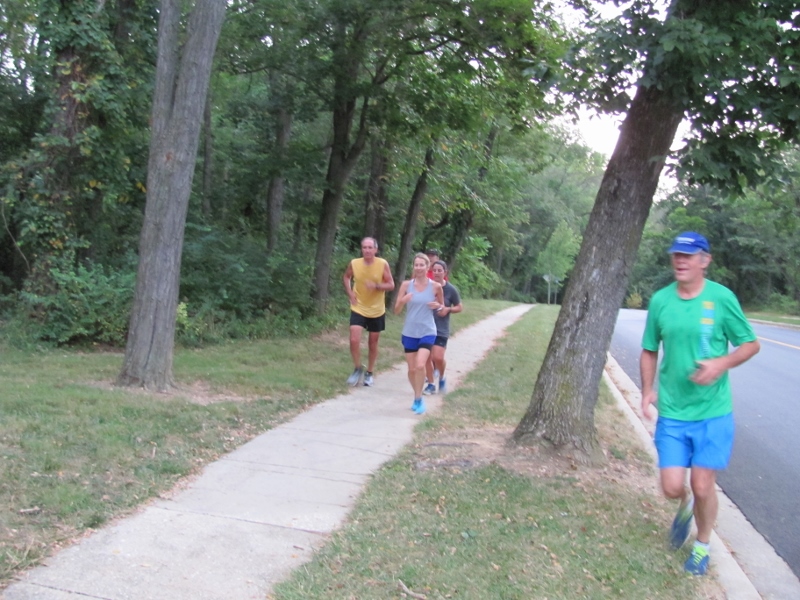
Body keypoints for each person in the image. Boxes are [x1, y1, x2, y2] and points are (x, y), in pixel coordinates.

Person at [640, 231, 760, 576]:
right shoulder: (661, 301)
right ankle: (684, 502)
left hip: (712, 412)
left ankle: (702, 546)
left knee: (703, 484)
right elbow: (649, 349)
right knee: (671, 487)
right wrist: (646, 391)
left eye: (688, 255)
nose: (680, 260)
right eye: (676, 254)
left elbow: (750, 344)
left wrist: (721, 363)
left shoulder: (721, 298)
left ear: (705, 261)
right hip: (673, 412)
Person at [394, 253, 444, 415]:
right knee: (412, 370)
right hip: (410, 331)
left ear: (427, 267)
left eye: (422, 265)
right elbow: (396, 311)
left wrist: (437, 306)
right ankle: (417, 396)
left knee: (420, 365)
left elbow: (441, 307)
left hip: (427, 330)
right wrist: (403, 301)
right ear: (413, 267)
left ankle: (418, 399)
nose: (419, 268)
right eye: (416, 265)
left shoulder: (435, 286)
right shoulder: (406, 285)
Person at [343, 237, 395, 387]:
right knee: (354, 339)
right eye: (364, 247)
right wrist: (350, 293)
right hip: (358, 307)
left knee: (373, 343)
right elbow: (346, 277)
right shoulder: (354, 263)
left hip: (376, 309)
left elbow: (391, 284)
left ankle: (370, 372)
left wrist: (377, 286)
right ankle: (357, 368)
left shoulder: (382, 264)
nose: (367, 250)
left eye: (370, 247)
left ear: (375, 250)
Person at [423, 260, 462, 395]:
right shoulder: (426, 286)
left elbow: (459, 307)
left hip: (441, 329)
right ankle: (430, 384)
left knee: (438, 357)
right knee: (427, 358)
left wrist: (447, 309)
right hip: (426, 327)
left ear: (445, 272)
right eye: (434, 270)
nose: (437, 273)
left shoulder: (451, 289)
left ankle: (442, 377)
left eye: (440, 270)